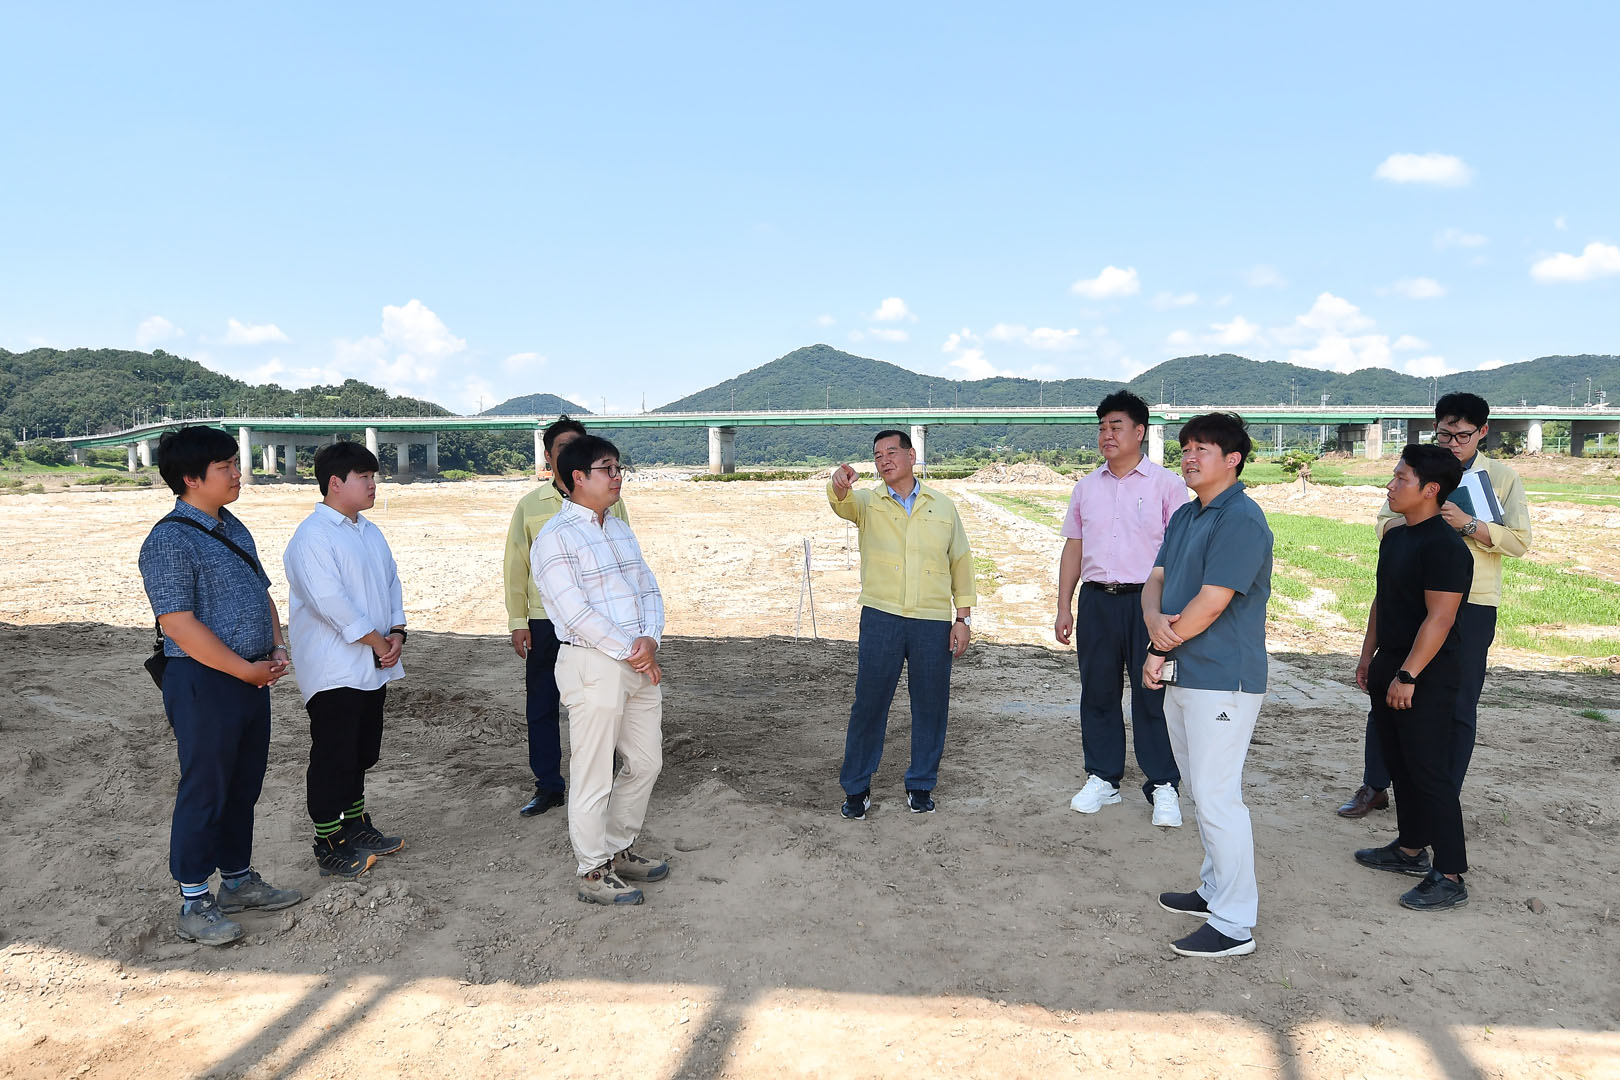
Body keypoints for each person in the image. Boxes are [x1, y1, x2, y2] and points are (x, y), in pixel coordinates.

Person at [137, 426, 303, 946]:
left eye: (235, 463)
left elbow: (262, 593)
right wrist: (243, 669)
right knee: (206, 787)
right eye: (226, 467)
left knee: (243, 784)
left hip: (251, 676)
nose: (237, 474)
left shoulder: (232, 526)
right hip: (204, 680)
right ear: (191, 478)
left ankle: (237, 881)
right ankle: (193, 900)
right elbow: (178, 624)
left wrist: (276, 645)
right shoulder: (168, 540)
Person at [1337, 392, 1531, 816]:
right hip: (1411, 597)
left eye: (1463, 436)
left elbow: (1519, 542)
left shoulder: (1502, 478)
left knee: (1458, 703)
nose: (1453, 443)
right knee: (1387, 689)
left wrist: (1469, 524)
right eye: (1445, 434)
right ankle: (1375, 784)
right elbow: (1384, 525)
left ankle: (1442, 794)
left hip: (1473, 602)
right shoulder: (1418, 470)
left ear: (1483, 432)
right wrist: (1424, 521)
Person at [1142, 413, 1272, 959]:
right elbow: (1157, 579)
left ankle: (1235, 923)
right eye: (1185, 448)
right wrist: (1153, 621)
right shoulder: (1187, 514)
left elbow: (1213, 602)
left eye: (1202, 449)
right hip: (1186, 670)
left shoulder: (1240, 519)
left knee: (1219, 797)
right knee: (1200, 788)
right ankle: (1214, 888)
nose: (1189, 458)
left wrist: (1157, 645)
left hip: (1223, 678)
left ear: (1233, 459)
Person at [532, 434, 668, 905]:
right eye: (607, 469)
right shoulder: (556, 537)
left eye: (618, 468)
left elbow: (648, 588)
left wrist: (651, 639)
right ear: (577, 477)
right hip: (593, 662)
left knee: (646, 762)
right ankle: (592, 870)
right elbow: (574, 613)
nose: (617, 477)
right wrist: (633, 649)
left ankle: (617, 847)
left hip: (637, 662)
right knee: (593, 772)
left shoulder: (620, 529)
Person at [1055, 391, 1187, 826]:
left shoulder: (1167, 485)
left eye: (1116, 426)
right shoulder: (1085, 488)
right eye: (1102, 428)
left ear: (1140, 431)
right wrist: (1064, 606)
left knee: (1153, 693)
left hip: (1148, 604)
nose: (1107, 435)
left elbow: (1179, 553)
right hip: (1097, 601)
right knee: (1097, 692)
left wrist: (1170, 613)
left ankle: (1163, 784)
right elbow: (1074, 548)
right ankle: (1103, 778)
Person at [829, 430, 975, 819]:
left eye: (892, 452)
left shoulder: (942, 506)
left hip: (931, 620)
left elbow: (960, 561)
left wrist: (962, 617)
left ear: (912, 456)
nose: (884, 460)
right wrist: (838, 483)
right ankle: (856, 789)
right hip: (882, 616)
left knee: (931, 705)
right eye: (878, 456)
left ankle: (921, 784)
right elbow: (841, 502)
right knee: (869, 704)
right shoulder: (867, 502)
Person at [1352, 445, 1473, 911]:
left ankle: (1451, 873)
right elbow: (1381, 601)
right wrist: (1369, 657)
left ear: (1431, 490)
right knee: (1399, 762)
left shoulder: (1445, 547)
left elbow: (1440, 619)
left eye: (1401, 478)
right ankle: (1409, 849)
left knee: (1428, 771)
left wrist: (1408, 674)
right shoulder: (1396, 537)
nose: (1391, 485)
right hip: (1391, 663)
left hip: (1426, 673)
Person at [284, 441, 408, 880]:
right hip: (333, 666)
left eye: (374, 477)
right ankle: (328, 840)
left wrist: (397, 631)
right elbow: (330, 602)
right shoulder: (313, 537)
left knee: (361, 750)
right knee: (333, 754)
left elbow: (391, 583)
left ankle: (355, 823)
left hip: (373, 662)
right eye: (364, 477)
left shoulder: (369, 532)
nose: (373, 485)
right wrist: (377, 641)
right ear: (335, 483)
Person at [503, 417, 631, 817]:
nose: (571, 452)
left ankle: (603, 782)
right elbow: (516, 565)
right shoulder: (530, 506)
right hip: (546, 619)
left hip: (598, 621)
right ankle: (548, 785)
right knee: (542, 704)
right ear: (548, 456)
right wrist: (518, 620)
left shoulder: (611, 502)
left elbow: (624, 561)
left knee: (603, 703)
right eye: (562, 447)